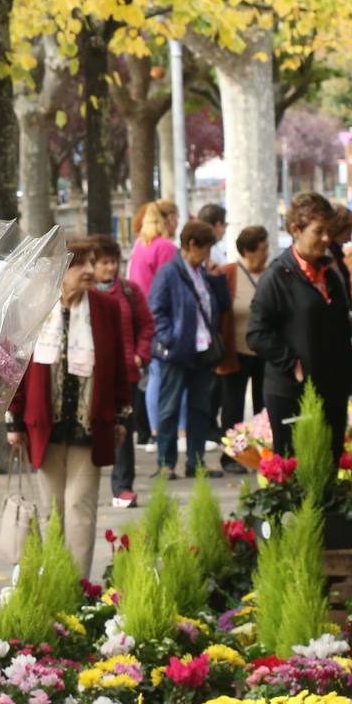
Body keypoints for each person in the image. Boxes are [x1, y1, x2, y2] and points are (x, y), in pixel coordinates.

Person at [7, 241, 137, 579]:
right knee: (52, 511)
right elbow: (18, 370)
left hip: (89, 426)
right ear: (60, 272)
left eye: (92, 263)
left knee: (81, 508)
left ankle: (77, 586)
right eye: (80, 265)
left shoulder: (106, 308)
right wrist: (15, 420)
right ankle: (55, 579)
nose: (90, 271)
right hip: (44, 425)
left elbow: (120, 366)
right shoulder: (36, 308)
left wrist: (123, 414)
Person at [247, 191, 352, 460]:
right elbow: (256, 334)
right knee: (297, 472)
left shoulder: (330, 274)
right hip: (291, 394)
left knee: (329, 468)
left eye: (328, 231)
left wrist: (348, 370)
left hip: (332, 391)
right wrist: (293, 363)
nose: (326, 239)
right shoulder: (276, 277)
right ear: (296, 230)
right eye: (319, 231)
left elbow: (340, 327)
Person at [146, 219, 231, 477]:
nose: (207, 255)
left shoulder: (202, 272)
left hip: (202, 352)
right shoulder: (169, 272)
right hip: (177, 352)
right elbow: (156, 309)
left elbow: (222, 304)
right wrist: (169, 338)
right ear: (191, 245)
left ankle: (196, 461)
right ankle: (166, 463)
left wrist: (217, 279)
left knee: (200, 408)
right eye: (204, 249)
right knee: (169, 409)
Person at [91, 236, 155, 511]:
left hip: (125, 373)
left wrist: (141, 354)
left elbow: (147, 325)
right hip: (90, 375)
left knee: (123, 432)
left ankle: (122, 486)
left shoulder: (130, 292)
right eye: (104, 262)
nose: (110, 268)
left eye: (113, 262)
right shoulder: (83, 295)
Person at [217, 225, 272, 465]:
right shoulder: (228, 273)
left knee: (264, 407)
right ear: (248, 251)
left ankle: (263, 453)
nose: (266, 254)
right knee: (232, 407)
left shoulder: (272, 274)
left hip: (265, 352)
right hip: (235, 351)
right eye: (262, 249)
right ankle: (232, 456)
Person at [126, 200, 179, 296]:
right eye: (177, 218)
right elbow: (169, 285)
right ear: (171, 219)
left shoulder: (141, 243)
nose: (177, 223)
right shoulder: (165, 247)